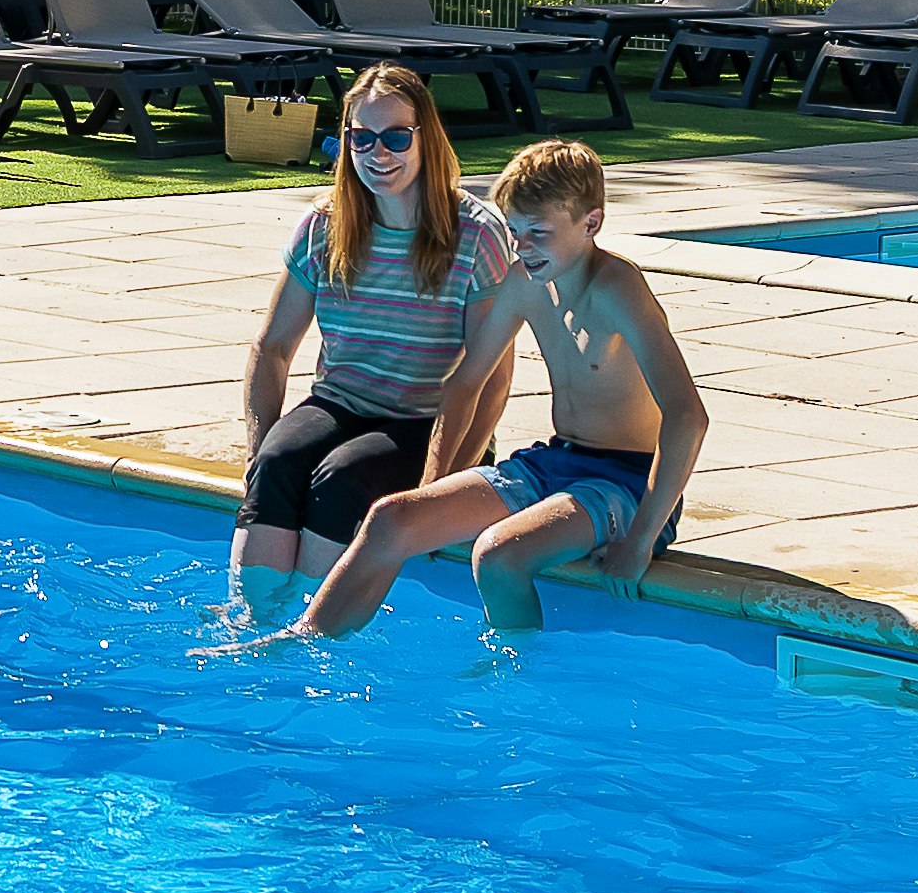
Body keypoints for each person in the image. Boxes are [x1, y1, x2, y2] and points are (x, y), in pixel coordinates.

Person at [298, 137, 707, 637]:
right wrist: (435, 481)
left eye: (538, 232)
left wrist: (642, 538)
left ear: (591, 223)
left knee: (499, 556)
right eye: (514, 230)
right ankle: (296, 648)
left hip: (629, 481)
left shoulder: (618, 289)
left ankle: (515, 690)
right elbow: (466, 381)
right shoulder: (525, 281)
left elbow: (689, 416)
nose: (522, 246)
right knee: (390, 519)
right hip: (559, 460)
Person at [229, 64, 517, 623]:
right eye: (361, 137)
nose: (377, 153)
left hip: (429, 424)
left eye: (395, 137)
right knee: (278, 462)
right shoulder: (324, 226)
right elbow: (273, 348)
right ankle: (251, 628)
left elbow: (492, 379)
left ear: (425, 138)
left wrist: (444, 489)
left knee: (341, 480)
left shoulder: (476, 233)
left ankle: (310, 637)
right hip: (340, 404)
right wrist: (254, 450)